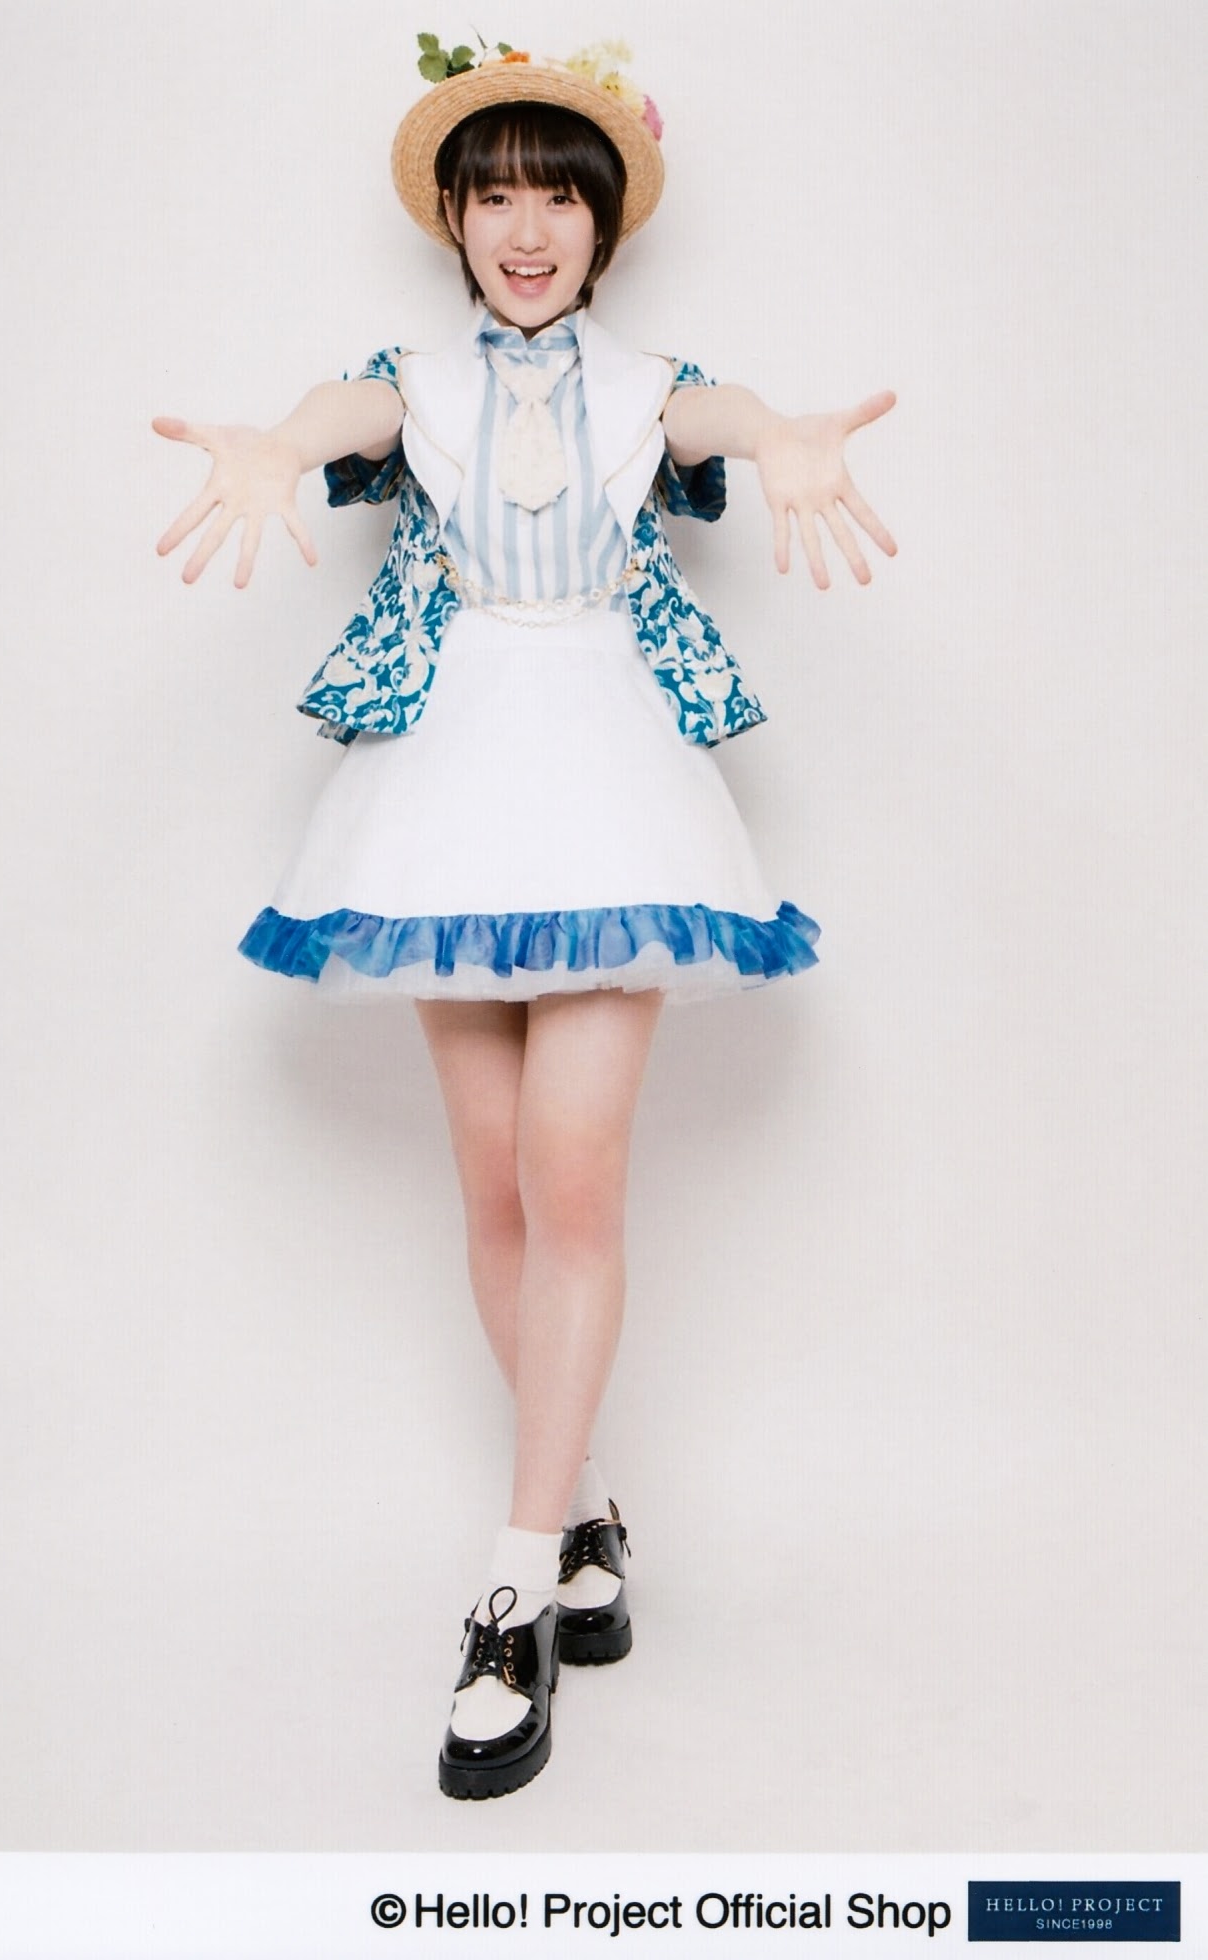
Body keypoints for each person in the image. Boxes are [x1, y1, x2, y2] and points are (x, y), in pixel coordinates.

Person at [154, 38, 895, 1800]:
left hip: (608, 778)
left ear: (602, 220)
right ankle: (584, 1518)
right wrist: (271, 446)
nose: (525, 226)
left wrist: (783, 436)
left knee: (570, 1177)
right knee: (492, 1182)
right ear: (453, 219)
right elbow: (339, 420)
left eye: (556, 192)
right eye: (493, 194)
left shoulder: (644, 385)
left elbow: (719, 419)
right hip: (443, 792)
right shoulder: (410, 378)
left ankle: (510, 1588)